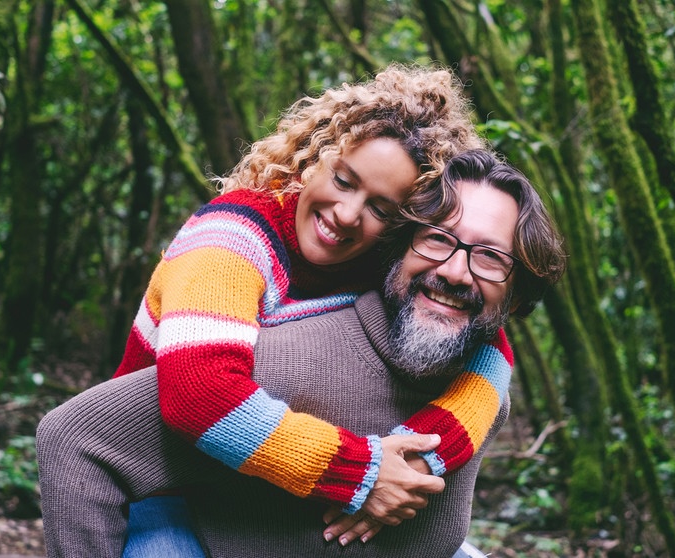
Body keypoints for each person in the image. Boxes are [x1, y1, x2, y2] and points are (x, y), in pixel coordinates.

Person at [38, 65, 513, 557]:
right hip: (164, 484)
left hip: (266, 493)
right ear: (312, 161)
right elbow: (200, 392)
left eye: (382, 209)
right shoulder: (231, 238)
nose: (348, 214)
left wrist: (418, 459)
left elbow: (491, 355)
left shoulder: (374, 259)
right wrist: (364, 470)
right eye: (344, 181)